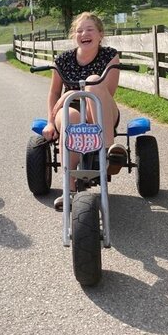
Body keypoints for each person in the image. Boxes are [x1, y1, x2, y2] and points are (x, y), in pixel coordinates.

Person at [41, 12, 127, 210]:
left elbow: (107, 92)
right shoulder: (63, 59)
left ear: (100, 34)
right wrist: (50, 122)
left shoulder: (110, 56)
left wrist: (72, 92)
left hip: (99, 109)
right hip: (70, 108)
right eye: (79, 31)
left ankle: (107, 152)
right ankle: (69, 189)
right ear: (74, 35)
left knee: (93, 81)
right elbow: (54, 93)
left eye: (89, 30)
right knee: (71, 118)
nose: (84, 34)